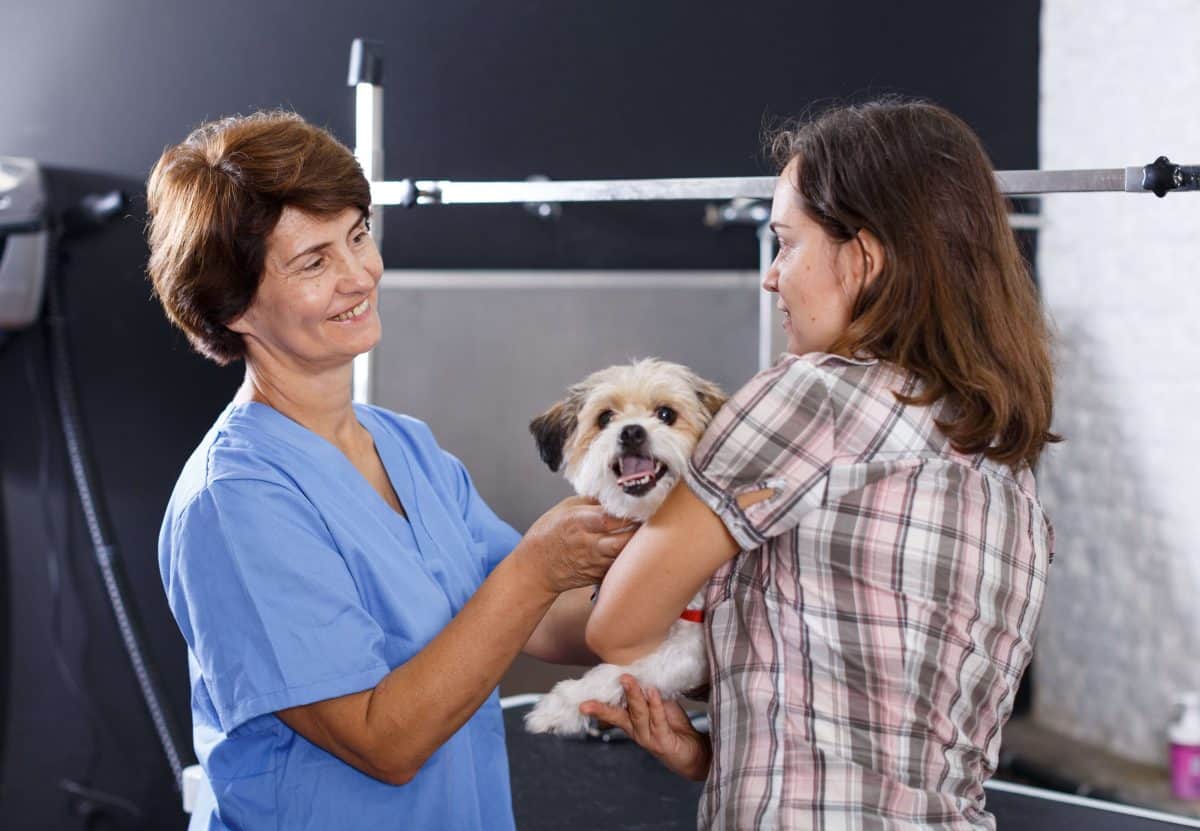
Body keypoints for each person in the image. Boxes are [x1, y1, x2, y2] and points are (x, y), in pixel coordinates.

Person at [146, 110, 633, 831]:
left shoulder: (404, 447)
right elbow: (385, 741)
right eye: (314, 262)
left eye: (358, 235)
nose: (359, 275)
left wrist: (686, 580)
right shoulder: (234, 500)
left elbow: (551, 622)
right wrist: (538, 566)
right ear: (235, 305)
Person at [582, 99, 1057, 830]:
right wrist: (721, 754)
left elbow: (617, 627)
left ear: (863, 259)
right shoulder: (1009, 468)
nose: (772, 277)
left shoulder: (815, 393)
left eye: (786, 243)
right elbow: (885, 720)